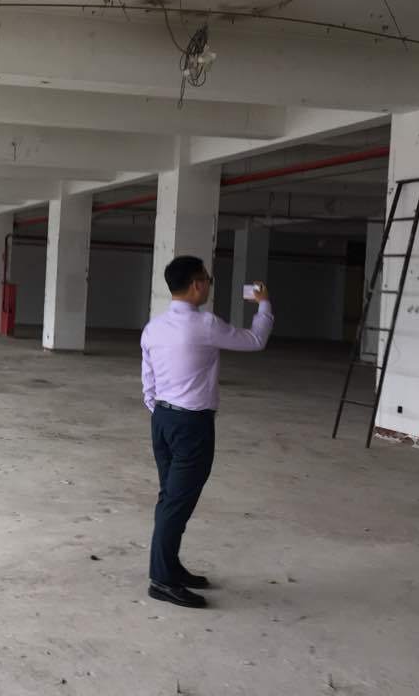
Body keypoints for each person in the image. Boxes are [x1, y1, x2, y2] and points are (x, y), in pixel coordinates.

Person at [140, 255, 273, 609]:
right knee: (176, 502)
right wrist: (263, 304)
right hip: (191, 425)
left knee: (170, 497)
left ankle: (169, 566)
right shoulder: (205, 324)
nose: (209, 286)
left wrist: (160, 411)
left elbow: (148, 379)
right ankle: (161, 580)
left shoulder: (153, 327)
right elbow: (255, 339)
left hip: (162, 420)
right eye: (208, 280)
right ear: (197, 284)